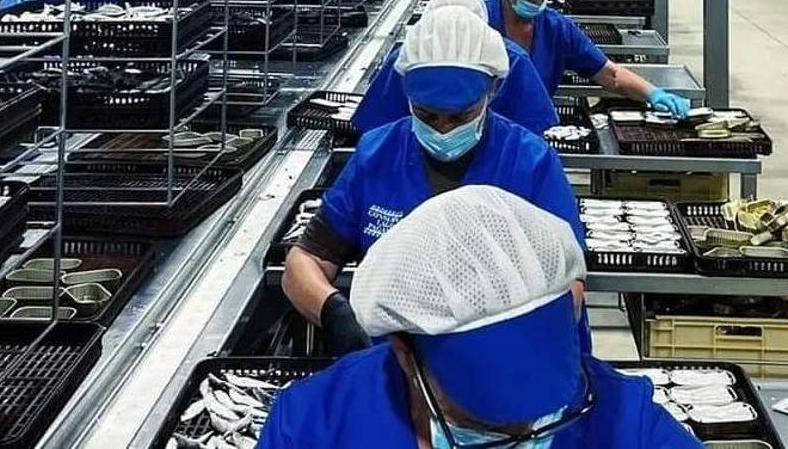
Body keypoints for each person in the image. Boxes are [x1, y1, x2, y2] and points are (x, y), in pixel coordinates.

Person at [258, 186, 703, 449]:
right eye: (483, 422)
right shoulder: (315, 426)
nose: (526, 434)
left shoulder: (627, 424)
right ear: (406, 353)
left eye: (545, 412)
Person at [280, 6, 586, 356]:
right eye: (427, 114)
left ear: (493, 90)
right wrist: (334, 313)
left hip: (507, 365)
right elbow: (305, 261)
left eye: (460, 115)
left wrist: (519, 337)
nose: (443, 128)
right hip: (394, 364)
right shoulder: (377, 155)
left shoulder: (530, 162)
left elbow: (571, 283)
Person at [488, 0, 692, 117]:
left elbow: (609, 74)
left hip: (531, 131)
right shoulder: (480, 19)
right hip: (481, 128)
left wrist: (653, 93)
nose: (540, 1)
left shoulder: (556, 28)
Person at [353, 0, 558, 136]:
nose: (444, 129)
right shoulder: (408, 59)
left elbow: (534, 130)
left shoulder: (513, 61)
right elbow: (376, 129)